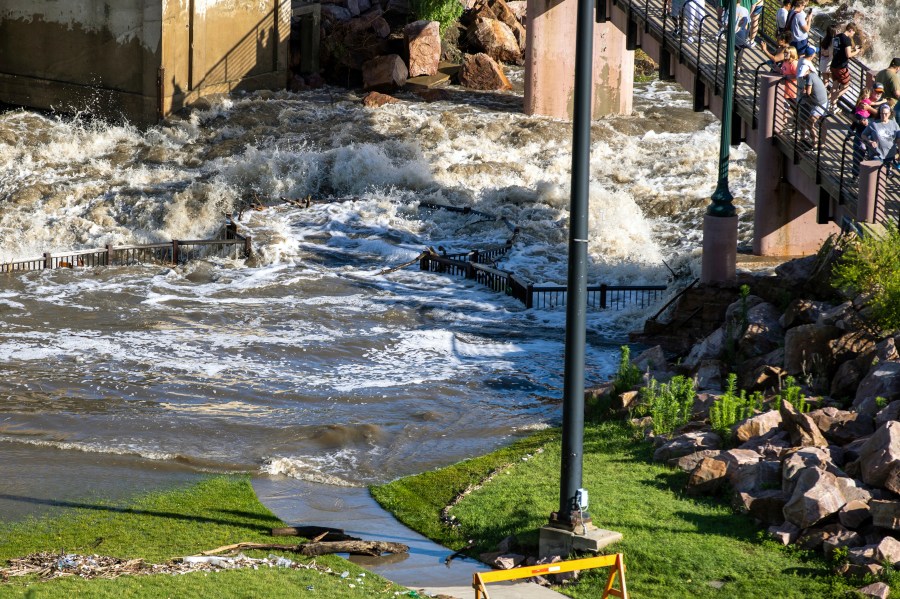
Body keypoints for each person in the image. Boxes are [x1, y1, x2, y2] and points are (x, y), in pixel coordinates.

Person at [829, 22, 860, 105]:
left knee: (835, 85)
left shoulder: (837, 36)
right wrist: (856, 51)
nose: (853, 34)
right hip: (841, 67)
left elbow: (838, 49)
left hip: (833, 64)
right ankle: (833, 98)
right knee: (846, 87)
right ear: (851, 30)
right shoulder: (847, 39)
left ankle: (832, 104)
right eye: (853, 32)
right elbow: (848, 55)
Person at [799, 66, 828, 146]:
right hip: (819, 102)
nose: (802, 76)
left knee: (810, 123)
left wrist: (803, 92)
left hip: (819, 104)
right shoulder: (813, 74)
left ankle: (815, 142)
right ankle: (817, 142)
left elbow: (808, 92)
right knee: (817, 122)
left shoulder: (809, 77)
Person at [874, 58, 900, 125]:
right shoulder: (893, 76)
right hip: (892, 106)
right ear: (898, 68)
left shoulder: (880, 73)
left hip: (880, 103)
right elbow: (897, 94)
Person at [819, 25, 836, 89]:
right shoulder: (833, 41)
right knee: (835, 82)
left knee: (825, 82)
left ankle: (820, 94)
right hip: (829, 64)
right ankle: (832, 97)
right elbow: (832, 53)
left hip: (823, 63)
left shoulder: (824, 40)